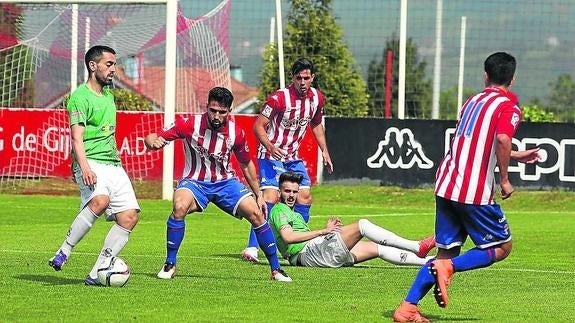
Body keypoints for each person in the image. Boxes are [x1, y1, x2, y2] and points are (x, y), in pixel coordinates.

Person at [392, 52, 542, 322]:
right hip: (473, 191)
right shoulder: (509, 104)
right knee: (502, 247)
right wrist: (505, 179)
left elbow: (476, 142)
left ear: (486, 76)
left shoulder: (471, 102)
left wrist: (516, 155)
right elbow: (503, 139)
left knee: (446, 250)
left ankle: (407, 307)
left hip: (447, 184)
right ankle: (448, 268)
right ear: (513, 78)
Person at [144, 86, 292, 282]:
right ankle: (170, 263)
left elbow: (246, 164)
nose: (216, 116)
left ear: (229, 111)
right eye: (213, 110)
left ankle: (276, 269)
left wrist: (258, 194)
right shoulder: (189, 124)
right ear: (207, 107)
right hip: (194, 182)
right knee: (179, 207)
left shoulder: (236, 133)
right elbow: (153, 137)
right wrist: (152, 143)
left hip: (225, 183)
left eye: (222, 112)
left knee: (257, 214)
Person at [48, 45, 140, 286]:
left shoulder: (109, 95)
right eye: (109, 64)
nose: (113, 69)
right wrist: (85, 167)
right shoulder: (79, 97)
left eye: (114, 65)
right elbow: (76, 138)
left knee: (130, 216)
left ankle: (97, 273)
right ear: (93, 66)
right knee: (100, 201)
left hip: (113, 163)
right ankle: (64, 251)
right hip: (90, 161)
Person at [241, 58, 334, 262]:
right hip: (270, 154)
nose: (302, 82)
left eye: (306, 78)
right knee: (271, 197)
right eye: (298, 78)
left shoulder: (317, 98)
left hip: (293, 157)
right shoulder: (279, 99)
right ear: (292, 78)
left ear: (312, 78)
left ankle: (301, 243)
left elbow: (316, 125)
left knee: (305, 196)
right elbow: (258, 126)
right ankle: (252, 247)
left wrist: (324, 151)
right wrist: (270, 146)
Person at [269, 171, 436, 268]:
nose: (291, 195)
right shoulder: (279, 210)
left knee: (377, 248)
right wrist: (323, 231)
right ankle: (417, 246)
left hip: (312, 254)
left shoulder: (294, 212)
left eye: (294, 192)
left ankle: (430, 262)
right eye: (287, 191)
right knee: (362, 225)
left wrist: (323, 235)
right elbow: (288, 238)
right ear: (279, 192)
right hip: (308, 254)